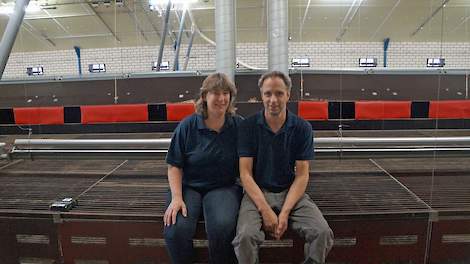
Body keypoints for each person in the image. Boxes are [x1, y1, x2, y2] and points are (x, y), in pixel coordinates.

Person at [232, 71, 334, 264]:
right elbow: (245, 174)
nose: (273, 99)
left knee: (322, 233)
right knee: (245, 237)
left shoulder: (302, 128)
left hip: (291, 191)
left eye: (279, 93)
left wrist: (285, 212)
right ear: (261, 95)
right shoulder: (248, 127)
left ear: (288, 94)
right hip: (257, 193)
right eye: (268, 93)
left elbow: (302, 175)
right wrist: (265, 210)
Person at [163, 72, 242, 264]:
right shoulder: (188, 126)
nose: (221, 98)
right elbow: (174, 165)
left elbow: (250, 161)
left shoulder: (238, 125)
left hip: (223, 187)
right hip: (189, 187)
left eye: (226, 93)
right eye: (216, 93)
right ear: (205, 96)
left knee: (223, 226)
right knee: (176, 230)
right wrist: (176, 198)